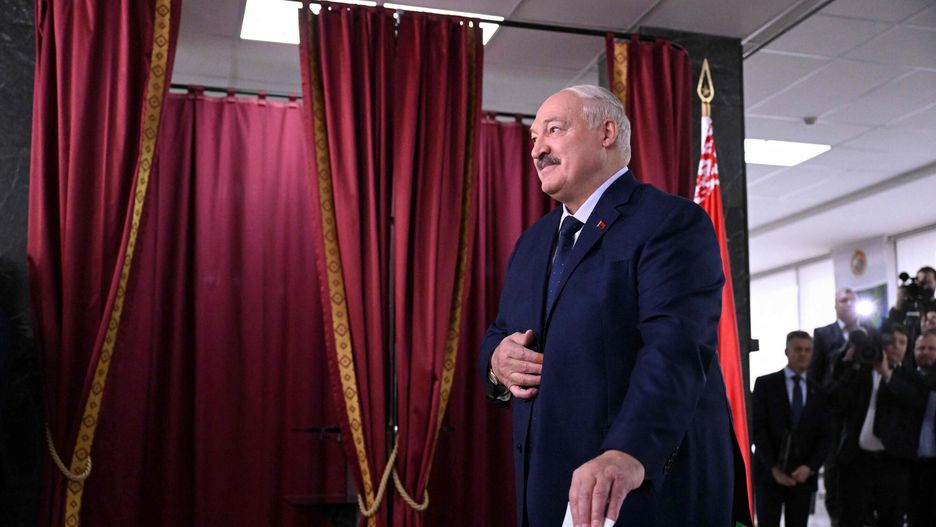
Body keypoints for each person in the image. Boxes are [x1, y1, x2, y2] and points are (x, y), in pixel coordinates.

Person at [478, 85, 749, 527]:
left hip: (639, 494)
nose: (537, 149)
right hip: (545, 493)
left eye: (554, 130)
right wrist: (496, 362)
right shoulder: (531, 244)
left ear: (606, 133)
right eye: (533, 138)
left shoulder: (670, 222)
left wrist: (628, 451)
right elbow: (499, 334)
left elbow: (674, 350)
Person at [830, 325, 926, 527]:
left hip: (893, 462)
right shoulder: (860, 371)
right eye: (891, 341)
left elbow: (915, 400)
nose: (896, 346)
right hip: (857, 460)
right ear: (880, 343)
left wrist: (887, 374)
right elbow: (837, 402)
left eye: (902, 343)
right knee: (850, 517)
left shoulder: (911, 377)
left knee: (891, 519)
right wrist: (852, 364)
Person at [752, 331, 832, 527]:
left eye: (807, 350)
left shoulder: (820, 392)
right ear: (787, 351)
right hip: (768, 474)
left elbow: (825, 436)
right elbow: (758, 429)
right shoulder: (765, 384)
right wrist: (774, 468)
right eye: (798, 349)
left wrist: (809, 468)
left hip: (802, 478)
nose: (803, 354)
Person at [909, 329, 936, 527]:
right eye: (921, 348)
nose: (925, 352)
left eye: (931, 348)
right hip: (912, 463)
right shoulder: (905, 379)